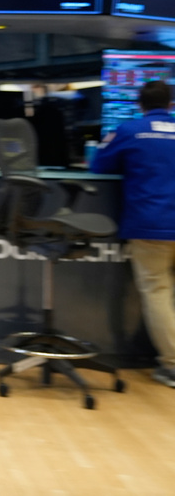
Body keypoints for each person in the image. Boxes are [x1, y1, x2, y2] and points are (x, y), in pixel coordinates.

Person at [91, 80, 175, 387]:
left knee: (158, 292)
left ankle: (173, 364)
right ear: (170, 105)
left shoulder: (129, 131)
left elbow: (98, 166)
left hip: (151, 226)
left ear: (139, 104)